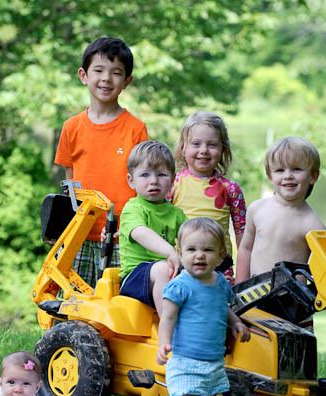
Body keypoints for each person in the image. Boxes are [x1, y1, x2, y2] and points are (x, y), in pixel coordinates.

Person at [54, 36, 149, 287]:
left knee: (118, 300)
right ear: (83, 75)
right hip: (81, 232)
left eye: (116, 73)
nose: (106, 78)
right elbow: (70, 182)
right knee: (76, 296)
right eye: (99, 70)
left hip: (122, 235)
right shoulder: (71, 127)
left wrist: (132, 226)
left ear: (126, 81)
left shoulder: (135, 129)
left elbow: (143, 182)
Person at [156, 217, 250, 396]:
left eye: (207, 250)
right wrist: (163, 343)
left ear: (220, 255)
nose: (199, 256)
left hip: (213, 359)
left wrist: (236, 321)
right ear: (179, 252)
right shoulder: (180, 286)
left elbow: (222, 306)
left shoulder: (221, 284)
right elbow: (167, 317)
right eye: (191, 249)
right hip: (186, 357)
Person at [235, 136, 326, 332]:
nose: (288, 176)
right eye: (280, 170)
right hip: (254, 295)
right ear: (270, 176)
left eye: (296, 169)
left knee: (292, 346)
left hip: (291, 301)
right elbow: (246, 249)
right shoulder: (257, 209)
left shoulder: (313, 224)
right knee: (255, 344)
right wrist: (239, 288)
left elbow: (322, 268)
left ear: (313, 176)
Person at [168, 111, 246, 285]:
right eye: (196, 144)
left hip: (220, 271)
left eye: (212, 145)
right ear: (183, 148)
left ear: (223, 149)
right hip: (182, 270)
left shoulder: (231, 189)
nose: (203, 150)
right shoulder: (172, 184)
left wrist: (243, 277)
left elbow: (243, 236)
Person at [118, 140, 187, 316]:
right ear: (131, 181)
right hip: (134, 277)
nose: (154, 181)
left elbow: (191, 235)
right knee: (164, 268)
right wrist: (170, 251)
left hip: (165, 270)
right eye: (145, 175)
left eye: (161, 175)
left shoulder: (176, 213)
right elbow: (141, 233)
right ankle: (170, 327)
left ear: (172, 178)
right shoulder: (132, 208)